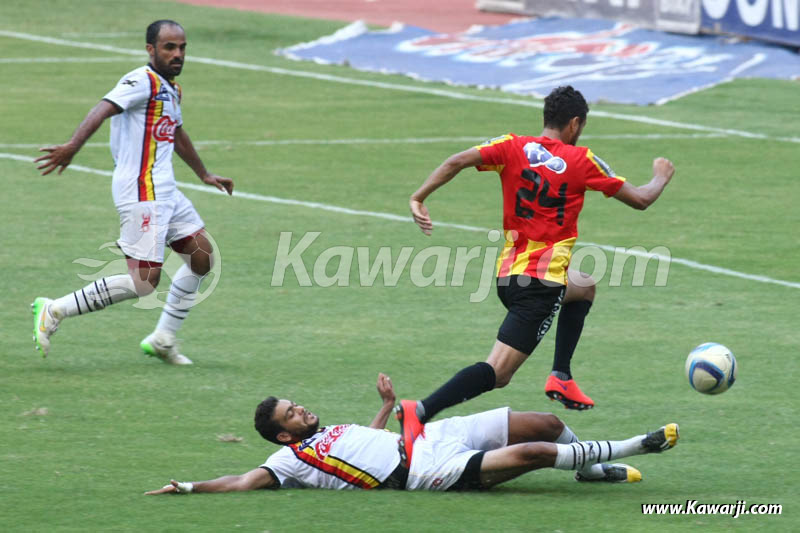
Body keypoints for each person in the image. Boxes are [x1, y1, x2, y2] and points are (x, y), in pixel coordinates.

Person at [403, 85, 674, 432]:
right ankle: (420, 411)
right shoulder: (582, 160)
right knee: (498, 372)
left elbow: (456, 161)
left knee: (583, 285)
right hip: (540, 288)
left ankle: (561, 375)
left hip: (509, 277)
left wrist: (419, 197)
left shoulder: (511, 145)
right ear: (575, 123)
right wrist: (660, 176)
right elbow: (641, 199)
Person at [31, 20, 233, 365]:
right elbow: (103, 108)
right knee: (144, 283)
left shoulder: (171, 89)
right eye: (169, 47)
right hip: (141, 190)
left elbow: (176, 132)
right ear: (150, 50)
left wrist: (203, 173)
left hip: (165, 190)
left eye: (182, 47)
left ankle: (163, 338)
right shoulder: (141, 81)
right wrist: (73, 146)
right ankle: (55, 309)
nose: (178, 54)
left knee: (202, 258)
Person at [145, 373, 679, 494]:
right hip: (426, 470)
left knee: (548, 424)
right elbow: (241, 482)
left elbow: (365, 443)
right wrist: (189, 487)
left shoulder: (329, 433)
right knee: (535, 452)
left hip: (429, 436)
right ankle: (637, 444)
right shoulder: (289, 463)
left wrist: (383, 407)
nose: (300, 408)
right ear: (283, 437)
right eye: (291, 413)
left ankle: (590, 470)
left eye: (294, 404)